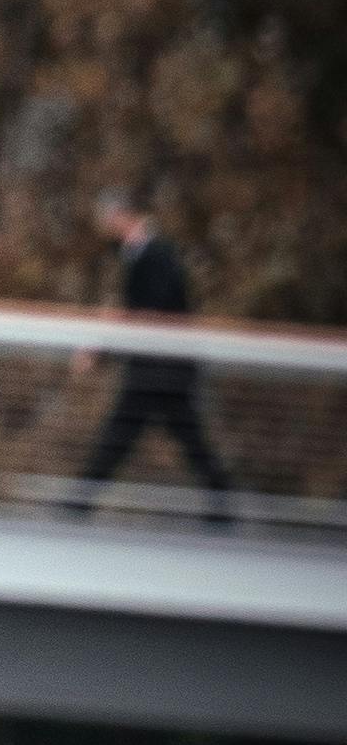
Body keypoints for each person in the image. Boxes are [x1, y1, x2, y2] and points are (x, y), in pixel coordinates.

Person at [68, 192, 234, 520]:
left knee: (122, 435)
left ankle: (78, 502)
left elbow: (151, 312)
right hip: (160, 369)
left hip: (160, 369)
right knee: (180, 439)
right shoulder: (145, 253)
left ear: (120, 217)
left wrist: (101, 349)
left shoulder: (155, 253)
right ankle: (221, 503)